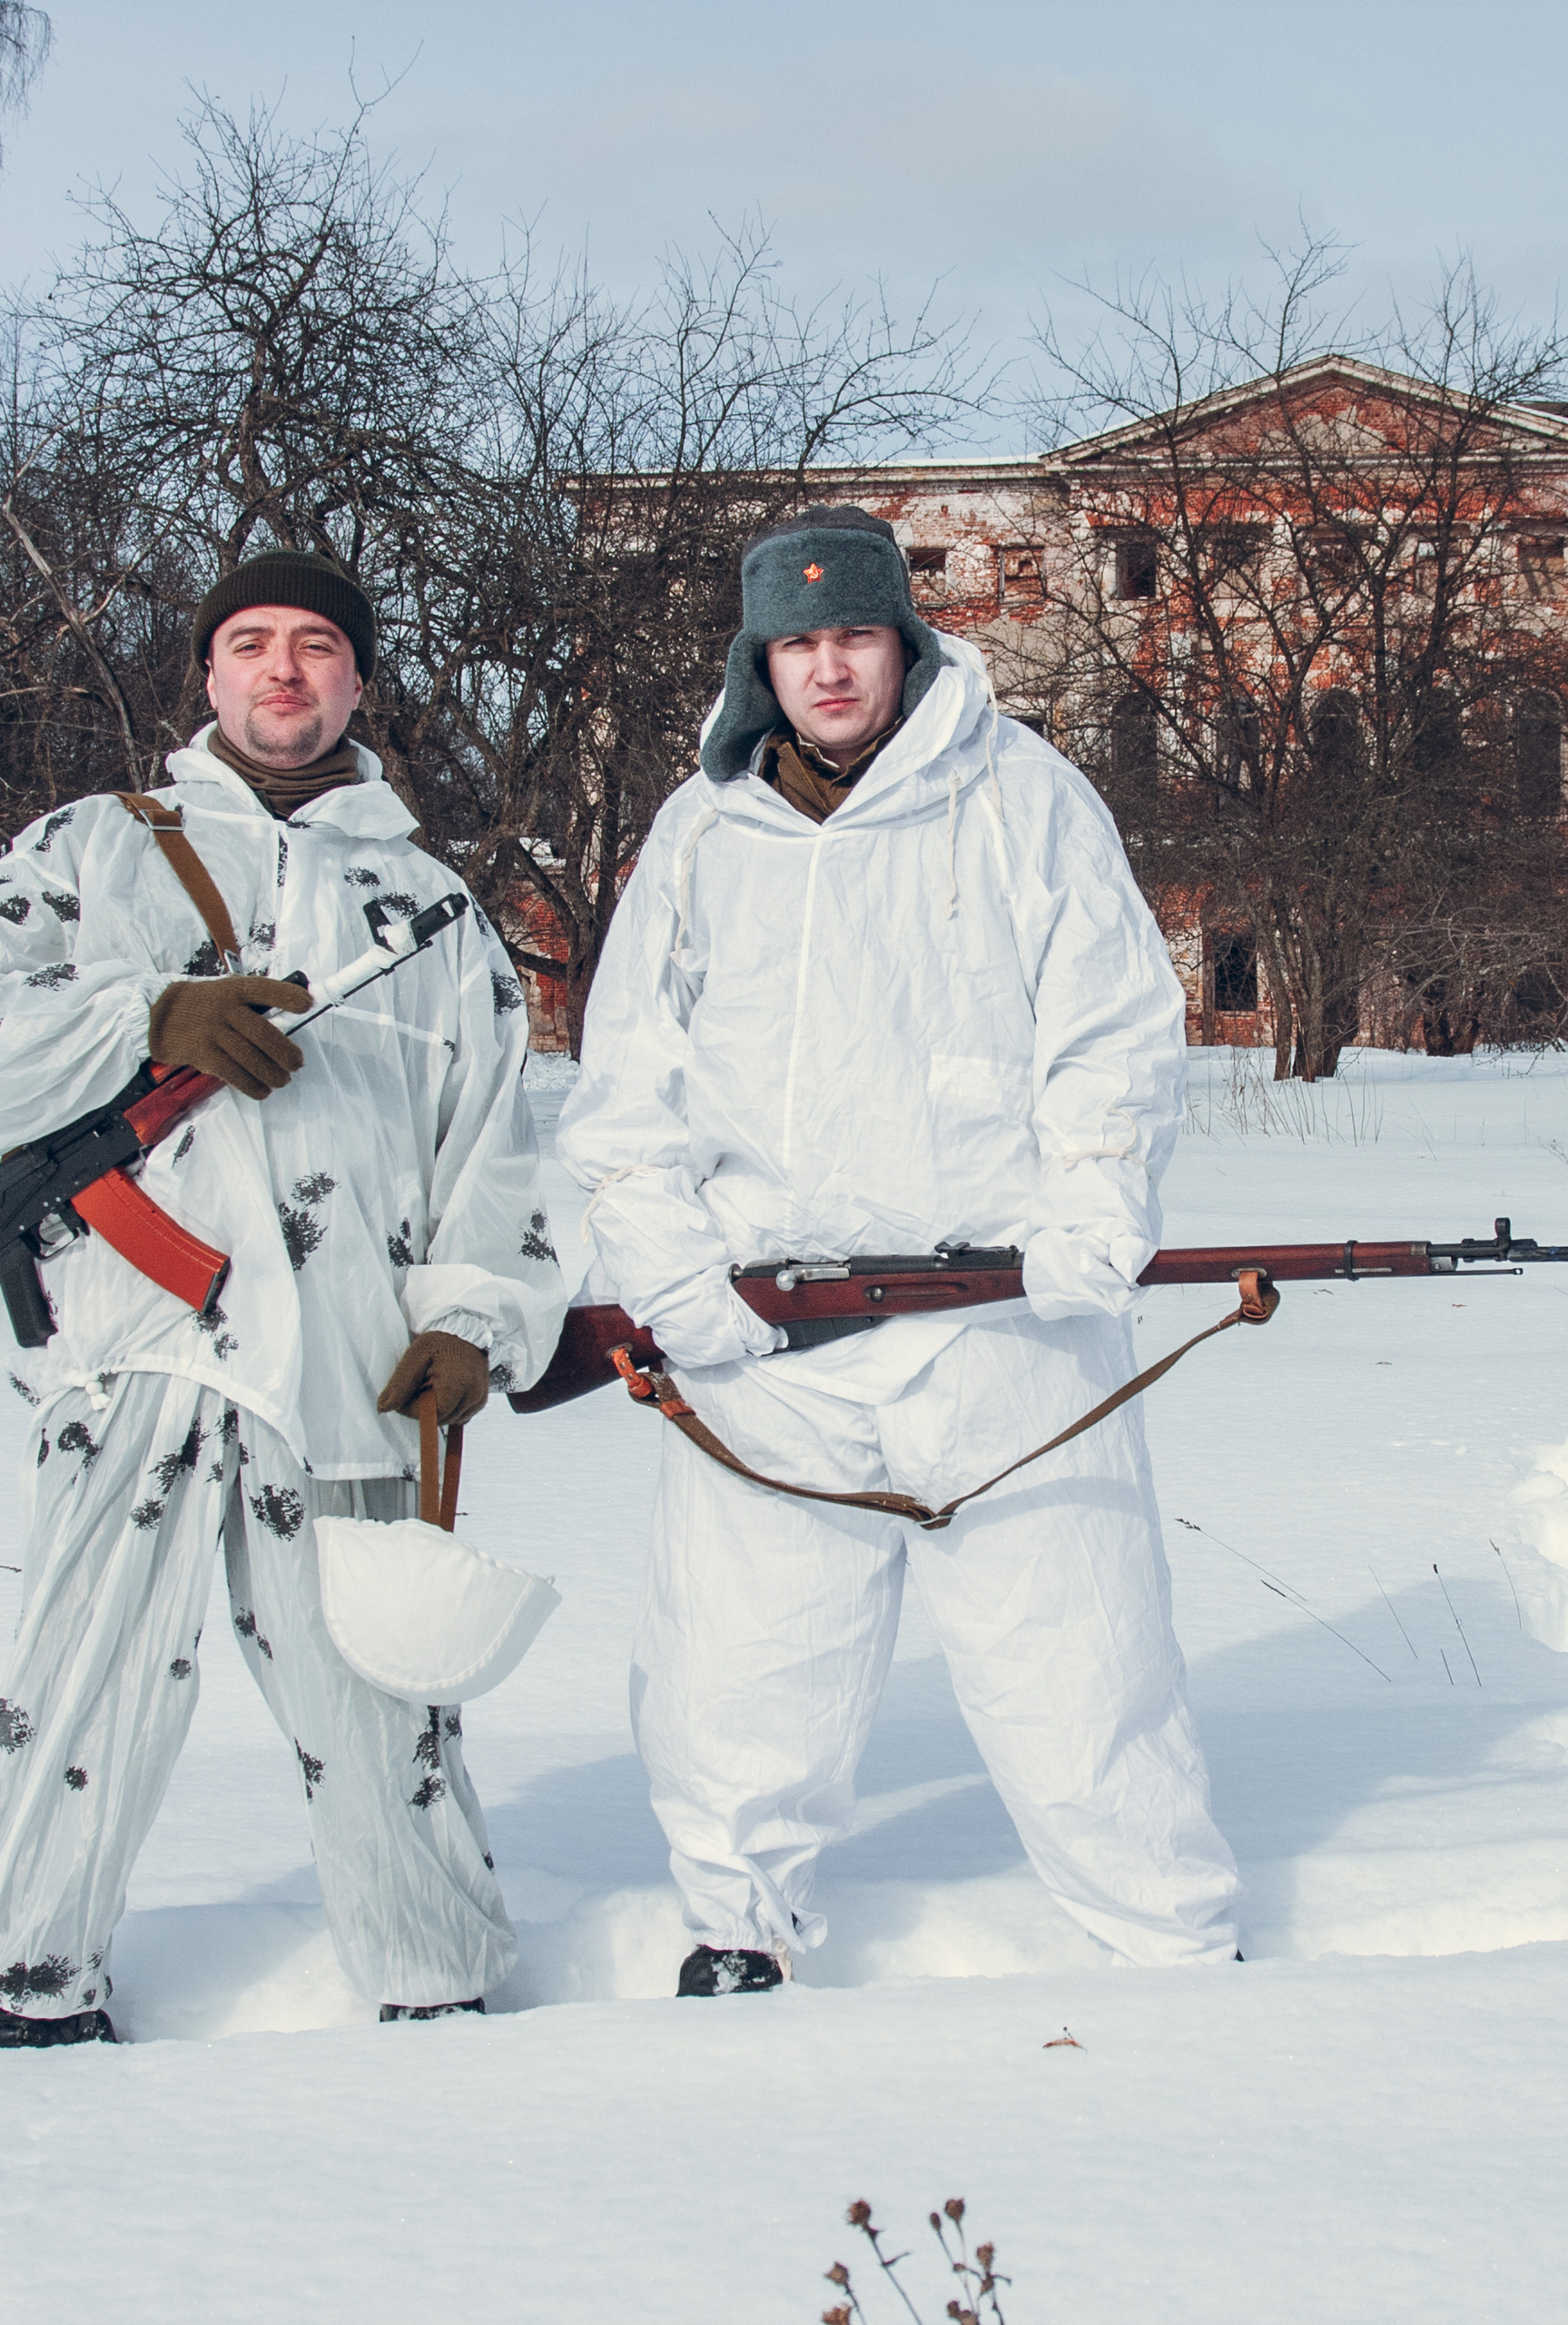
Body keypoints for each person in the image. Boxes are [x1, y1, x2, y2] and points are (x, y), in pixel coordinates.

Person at [557, 505, 1242, 1995]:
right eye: (796, 644)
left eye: (853, 636)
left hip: (1003, 1318)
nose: (829, 670)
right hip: (765, 1336)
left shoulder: (1021, 797)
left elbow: (1114, 1033)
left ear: (901, 641)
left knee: (1080, 1663)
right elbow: (626, 1090)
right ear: (761, 663)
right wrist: (676, 1283)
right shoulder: (697, 836)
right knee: (741, 1666)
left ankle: (1170, 1943)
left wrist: (1092, 1219)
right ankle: (738, 1931)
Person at [0, 549, 566, 2045]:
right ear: (207, 674)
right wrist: (147, 1014)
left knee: (379, 1698)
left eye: (319, 645)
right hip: (136, 1348)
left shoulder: (433, 911)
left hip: (348, 1361)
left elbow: (491, 1150)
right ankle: (34, 1984)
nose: (285, 670)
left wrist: (472, 1320)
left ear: (359, 682)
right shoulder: (89, 849)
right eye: (253, 643)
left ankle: (435, 1980)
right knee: (81, 1677)